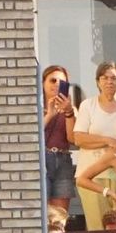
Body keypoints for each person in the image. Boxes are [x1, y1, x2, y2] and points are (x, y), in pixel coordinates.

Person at [71, 61, 116, 231]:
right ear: (98, 82)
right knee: (99, 228)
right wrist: (107, 141)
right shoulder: (88, 105)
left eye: (114, 78)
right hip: (91, 176)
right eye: (104, 78)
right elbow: (79, 138)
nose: (109, 82)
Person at [40, 65, 79, 224]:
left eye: (61, 82)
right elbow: (32, 136)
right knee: (41, 213)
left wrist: (68, 112)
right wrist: (50, 115)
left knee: (60, 216)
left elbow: (72, 139)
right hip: (42, 160)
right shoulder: (35, 108)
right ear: (43, 83)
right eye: (52, 80)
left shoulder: (71, 109)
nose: (56, 84)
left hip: (63, 160)